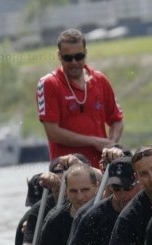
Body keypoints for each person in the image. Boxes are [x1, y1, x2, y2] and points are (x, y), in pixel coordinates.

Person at [36, 28, 124, 168]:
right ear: (59, 56)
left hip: (100, 170)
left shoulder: (100, 80)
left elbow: (117, 120)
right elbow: (53, 133)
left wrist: (110, 145)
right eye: (68, 58)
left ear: (85, 52)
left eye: (79, 56)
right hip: (67, 171)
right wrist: (94, 142)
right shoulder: (49, 83)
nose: (74, 62)